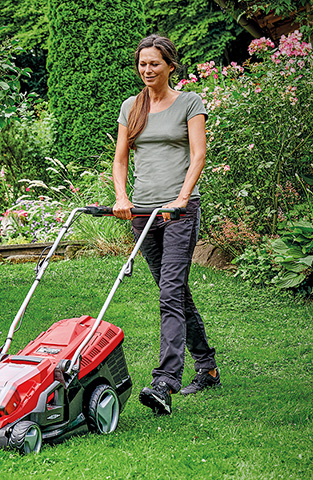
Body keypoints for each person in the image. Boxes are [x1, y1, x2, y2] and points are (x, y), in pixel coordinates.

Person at [112, 34, 220, 416]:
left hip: (179, 213)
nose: (147, 69)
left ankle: (165, 382)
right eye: (142, 64)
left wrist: (182, 197)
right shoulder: (131, 107)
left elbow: (198, 154)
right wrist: (121, 197)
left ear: (170, 66)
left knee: (171, 292)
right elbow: (120, 159)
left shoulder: (189, 102)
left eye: (154, 63)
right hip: (142, 214)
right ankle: (207, 367)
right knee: (173, 291)